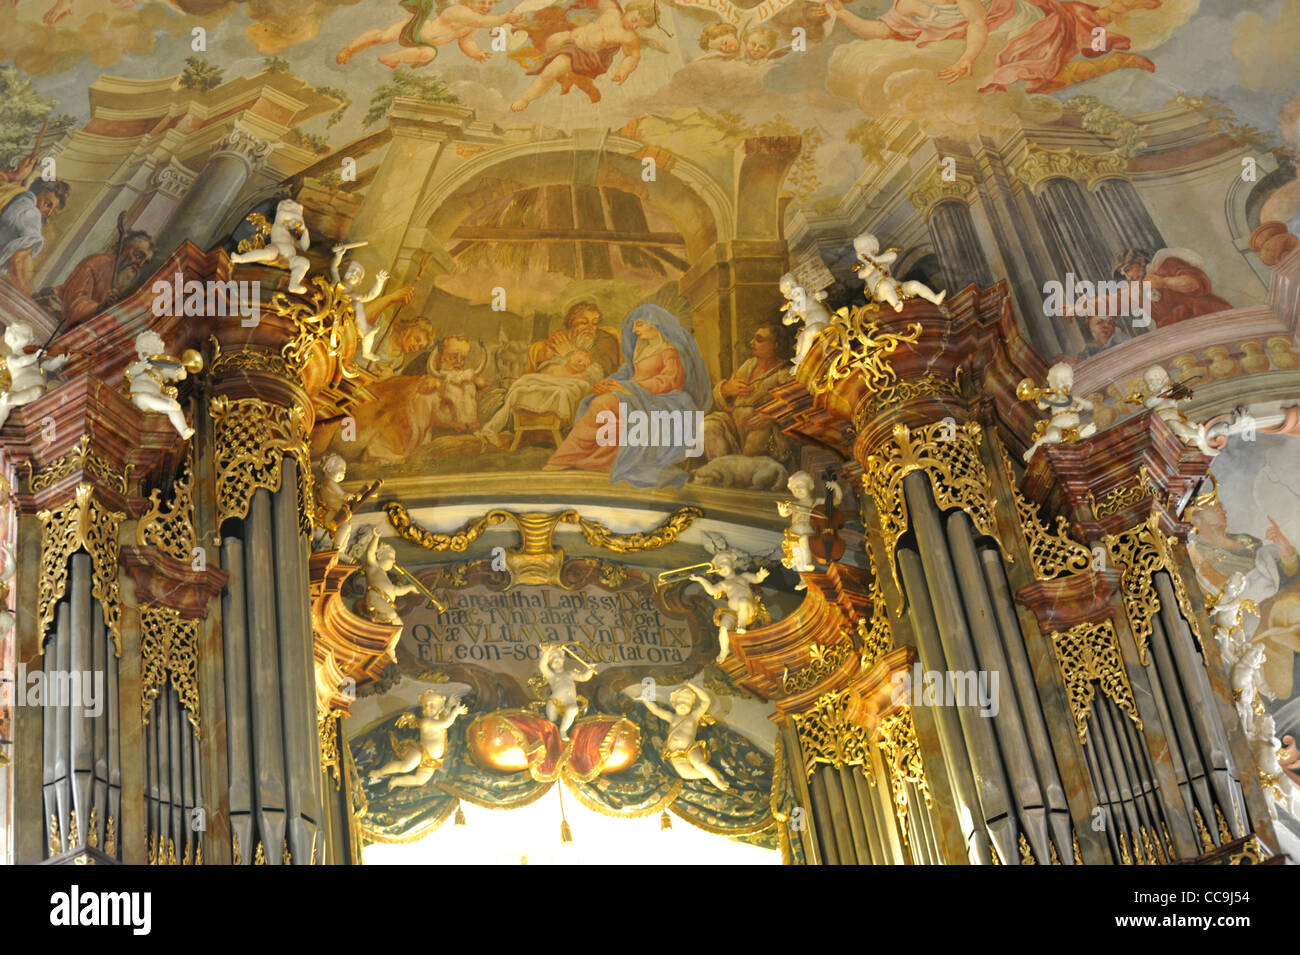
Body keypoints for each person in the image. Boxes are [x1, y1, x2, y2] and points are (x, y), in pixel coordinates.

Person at [543, 304, 711, 488]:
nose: (634, 330)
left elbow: (669, 382)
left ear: (654, 325)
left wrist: (629, 388)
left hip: (658, 399)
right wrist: (608, 383)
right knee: (591, 401)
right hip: (633, 393)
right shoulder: (641, 351)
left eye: (639, 325)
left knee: (603, 403)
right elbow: (626, 373)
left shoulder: (669, 352)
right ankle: (587, 458)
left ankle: (565, 457)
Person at [510, 0, 655, 112]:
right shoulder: (611, 10)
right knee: (549, 40)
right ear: (629, 9)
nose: (634, 27)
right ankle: (562, 76)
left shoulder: (629, 37)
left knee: (548, 73)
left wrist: (624, 70)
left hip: (581, 53)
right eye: (635, 20)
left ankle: (525, 99)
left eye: (640, 26)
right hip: (570, 37)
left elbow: (632, 56)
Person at [702, 322, 792, 461]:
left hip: (764, 430)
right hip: (736, 426)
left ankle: (743, 476)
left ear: (775, 345)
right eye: (753, 338)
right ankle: (724, 473)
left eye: (759, 339)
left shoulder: (785, 373)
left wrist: (772, 415)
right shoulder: (748, 366)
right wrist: (726, 390)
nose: (752, 343)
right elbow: (726, 403)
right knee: (708, 427)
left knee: (756, 443)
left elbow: (795, 405)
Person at [35, 225, 155, 328]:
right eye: (139, 256)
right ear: (123, 248)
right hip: (55, 311)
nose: (140, 264)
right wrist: (100, 306)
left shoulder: (130, 285)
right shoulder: (97, 263)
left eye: (145, 262)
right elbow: (74, 304)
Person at [1112, 247, 1231, 328]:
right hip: (1185, 335)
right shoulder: (1139, 291)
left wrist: (1164, 282)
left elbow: (1196, 283)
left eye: (1128, 270)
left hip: (1212, 321)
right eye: (1124, 274)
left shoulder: (1167, 264)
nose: (1129, 277)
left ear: (1141, 260)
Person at [0, 179, 69, 295]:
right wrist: (26, 293)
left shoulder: (16, 198)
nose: (49, 213)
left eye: (53, 209)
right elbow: (19, 258)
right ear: (39, 194)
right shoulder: (32, 213)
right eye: (48, 205)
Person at [528, 301, 621, 377]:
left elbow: (603, 370)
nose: (590, 328)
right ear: (571, 322)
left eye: (594, 323)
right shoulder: (560, 339)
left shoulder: (606, 340)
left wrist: (569, 353)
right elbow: (542, 368)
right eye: (584, 322)